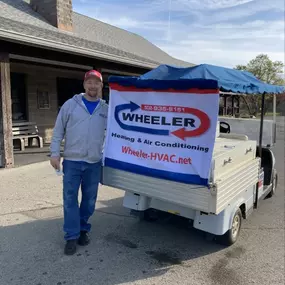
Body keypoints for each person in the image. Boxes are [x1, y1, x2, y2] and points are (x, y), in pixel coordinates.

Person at [50, 70, 108, 255]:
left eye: (96, 83)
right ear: (84, 85)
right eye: (89, 82)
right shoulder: (70, 105)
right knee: (70, 199)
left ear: (101, 86)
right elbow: (58, 130)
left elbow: (116, 133)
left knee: (90, 200)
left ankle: (83, 229)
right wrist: (54, 153)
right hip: (73, 162)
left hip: (94, 162)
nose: (93, 86)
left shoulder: (106, 109)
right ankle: (71, 236)